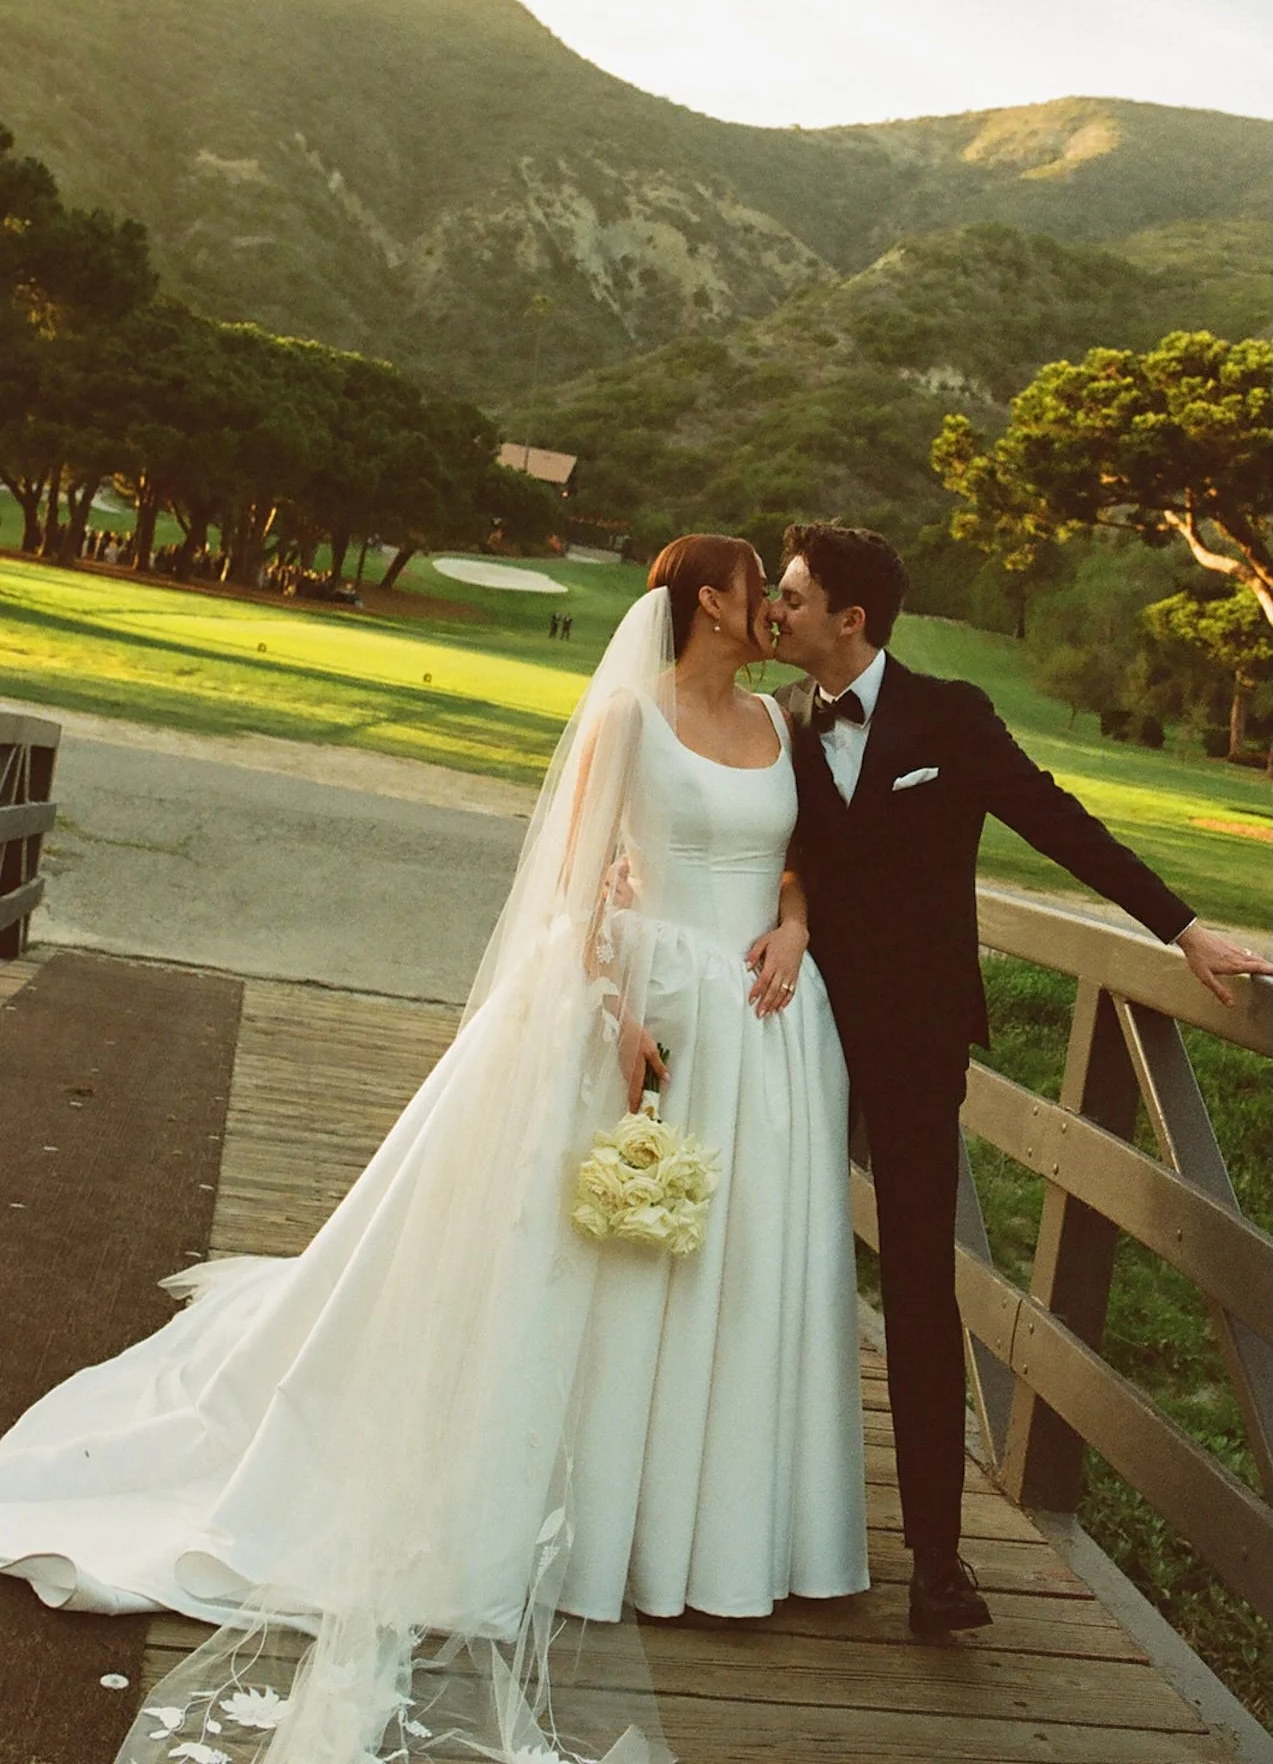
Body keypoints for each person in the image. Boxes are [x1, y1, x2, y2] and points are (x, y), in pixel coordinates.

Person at [0, 534, 869, 1764]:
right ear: (710, 603)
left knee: (718, 1276)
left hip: (758, 1025)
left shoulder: (781, 727)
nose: (769, 610)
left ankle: (695, 1532)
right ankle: (577, 1520)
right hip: (644, 1007)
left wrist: (789, 920)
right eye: (752, 591)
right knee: (599, 1263)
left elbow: (791, 854)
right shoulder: (630, 713)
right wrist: (622, 1022)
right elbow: (575, 888)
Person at [770, 519, 1273, 1637]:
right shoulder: (780, 724)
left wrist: (1183, 926)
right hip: (792, 1036)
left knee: (915, 1282)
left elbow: (1056, 823)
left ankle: (937, 1565)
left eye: (793, 595)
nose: (775, 608)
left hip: (913, 1043)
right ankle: (756, 1521)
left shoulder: (948, 714)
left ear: (850, 620)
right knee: (770, 1262)